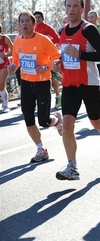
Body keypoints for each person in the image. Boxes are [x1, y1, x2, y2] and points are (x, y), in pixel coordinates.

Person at [54, 0, 100, 180]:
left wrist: (80, 55)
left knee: (95, 121)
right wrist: (59, 63)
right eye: (68, 6)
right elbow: (66, 54)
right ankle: (72, 167)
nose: (71, 9)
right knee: (68, 126)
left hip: (89, 83)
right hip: (70, 85)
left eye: (75, 6)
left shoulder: (88, 29)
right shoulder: (62, 31)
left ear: (82, 9)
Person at [8, 11, 63, 163]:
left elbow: (57, 57)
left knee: (44, 121)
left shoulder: (43, 40)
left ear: (33, 24)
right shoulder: (18, 41)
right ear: (19, 26)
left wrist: (46, 67)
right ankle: (41, 148)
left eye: (27, 21)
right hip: (26, 84)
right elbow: (17, 60)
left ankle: (57, 122)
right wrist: (13, 66)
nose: (24, 24)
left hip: (42, 83)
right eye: (22, 21)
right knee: (28, 119)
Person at [33, 11, 62, 109]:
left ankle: (58, 96)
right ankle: (38, 101)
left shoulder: (47, 27)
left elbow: (58, 39)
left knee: (52, 79)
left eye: (39, 17)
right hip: (37, 57)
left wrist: (52, 45)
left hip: (48, 56)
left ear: (42, 18)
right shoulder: (33, 28)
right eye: (35, 17)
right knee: (36, 78)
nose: (37, 19)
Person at [0, 23, 14, 113]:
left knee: (1, 84)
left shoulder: (5, 38)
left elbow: (13, 50)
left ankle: (6, 106)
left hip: (4, 63)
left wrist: (5, 54)